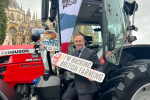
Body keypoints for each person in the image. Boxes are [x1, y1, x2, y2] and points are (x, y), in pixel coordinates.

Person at [54, 33, 104, 100]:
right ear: (74, 42)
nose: (78, 43)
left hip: (86, 86)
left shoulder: (90, 53)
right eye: (76, 41)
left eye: (80, 41)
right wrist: (59, 64)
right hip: (76, 83)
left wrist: (94, 75)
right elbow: (69, 66)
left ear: (84, 41)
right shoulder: (74, 54)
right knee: (65, 98)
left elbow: (100, 66)